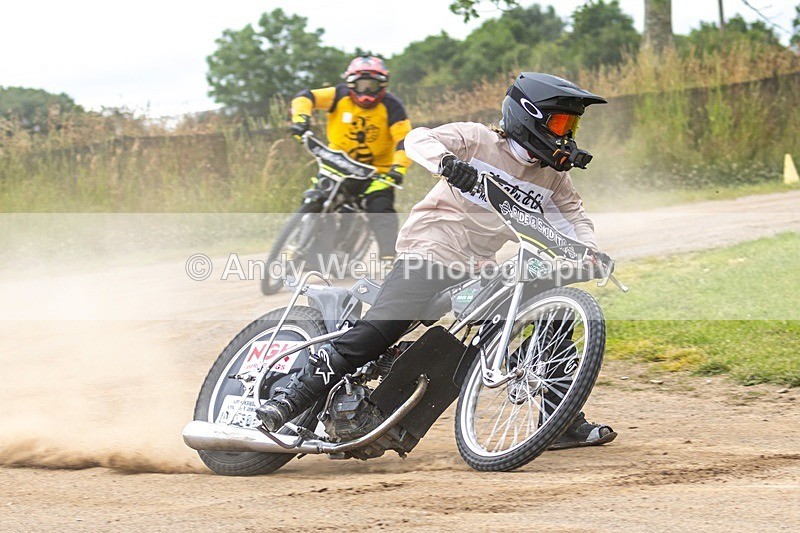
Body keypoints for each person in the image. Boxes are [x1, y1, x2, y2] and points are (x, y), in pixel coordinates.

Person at [258, 72, 617, 450]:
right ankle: (290, 398)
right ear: (529, 116)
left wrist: (589, 250)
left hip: (478, 265)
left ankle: (558, 418)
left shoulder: (553, 178)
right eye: (561, 122)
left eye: (571, 125)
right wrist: (446, 163)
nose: (566, 135)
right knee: (380, 331)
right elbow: (416, 138)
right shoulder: (478, 139)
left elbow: (574, 217)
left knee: (549, 309)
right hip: (429, 249)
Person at [288, 55, 412, 261]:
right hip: (337, 166)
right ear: (351, 84)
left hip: (376, 175)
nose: (366, 92)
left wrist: (398, 168)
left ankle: (389, 259)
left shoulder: (392, 106)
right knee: (316, 199)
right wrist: (301, 119)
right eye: (361, 86)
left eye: (371, 86)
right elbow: (305, 96)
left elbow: (404, 140)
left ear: (382, 85)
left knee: (380, 208)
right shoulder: (338, 95)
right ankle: (309, 251)